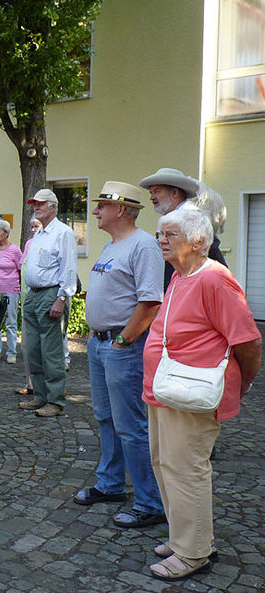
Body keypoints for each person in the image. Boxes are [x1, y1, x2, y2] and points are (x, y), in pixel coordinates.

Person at [142, 208, 261, 581]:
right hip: (165, 391)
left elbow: (248, 341)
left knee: (186, 470)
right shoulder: (181, 276)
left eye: (170, 234)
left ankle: (193, 553)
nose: (162, 239)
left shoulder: (215, 279)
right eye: (160, 233)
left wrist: (240, 385)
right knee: (165, 465)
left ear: (197, 241)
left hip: (193, 395)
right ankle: (185, 539)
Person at [73, 181, 166, 530]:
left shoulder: (143, 246)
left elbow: (150, 302)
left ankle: (149, 502)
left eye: (101, 206)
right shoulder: (114, 245)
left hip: (120, 348)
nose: (95, 211)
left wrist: (124, 341)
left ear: (122, 209)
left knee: (130, 426)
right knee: (106, 419)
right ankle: (111, 485)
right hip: (101, 345)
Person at [19, 189, 77, 418]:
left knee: (50, 350)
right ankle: (40, 396)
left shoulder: (63, 233)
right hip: (33, 295)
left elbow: (69, 268)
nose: (36, 207)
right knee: (32, 348)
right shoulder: (40, 234)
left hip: (50, 293)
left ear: (53, 206)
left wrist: (61, 298)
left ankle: (55, 400)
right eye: (35, 204)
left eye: (41, 204)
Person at [138, 167, 226, 291]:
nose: (152, 197)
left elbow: (214, 261)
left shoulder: (192, 219)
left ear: (174, 193)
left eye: (157, 191)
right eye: (151, 192)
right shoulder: (175, 219)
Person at [0, 219, 23, 364]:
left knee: (11, 322)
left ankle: (11, 352)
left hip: (11, 290)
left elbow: (21, 270)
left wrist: (19, 288)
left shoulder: (14, 250)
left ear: (6, 233)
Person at [15, 216, 43, 396]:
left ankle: (48, 388)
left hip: (43, 301)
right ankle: (31, 383)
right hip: (27, 301)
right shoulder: (29, 244)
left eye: (36, 226)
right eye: (31, 226)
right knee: (27, 345)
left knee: (44, 347)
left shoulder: (49, 243)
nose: (33, 229)